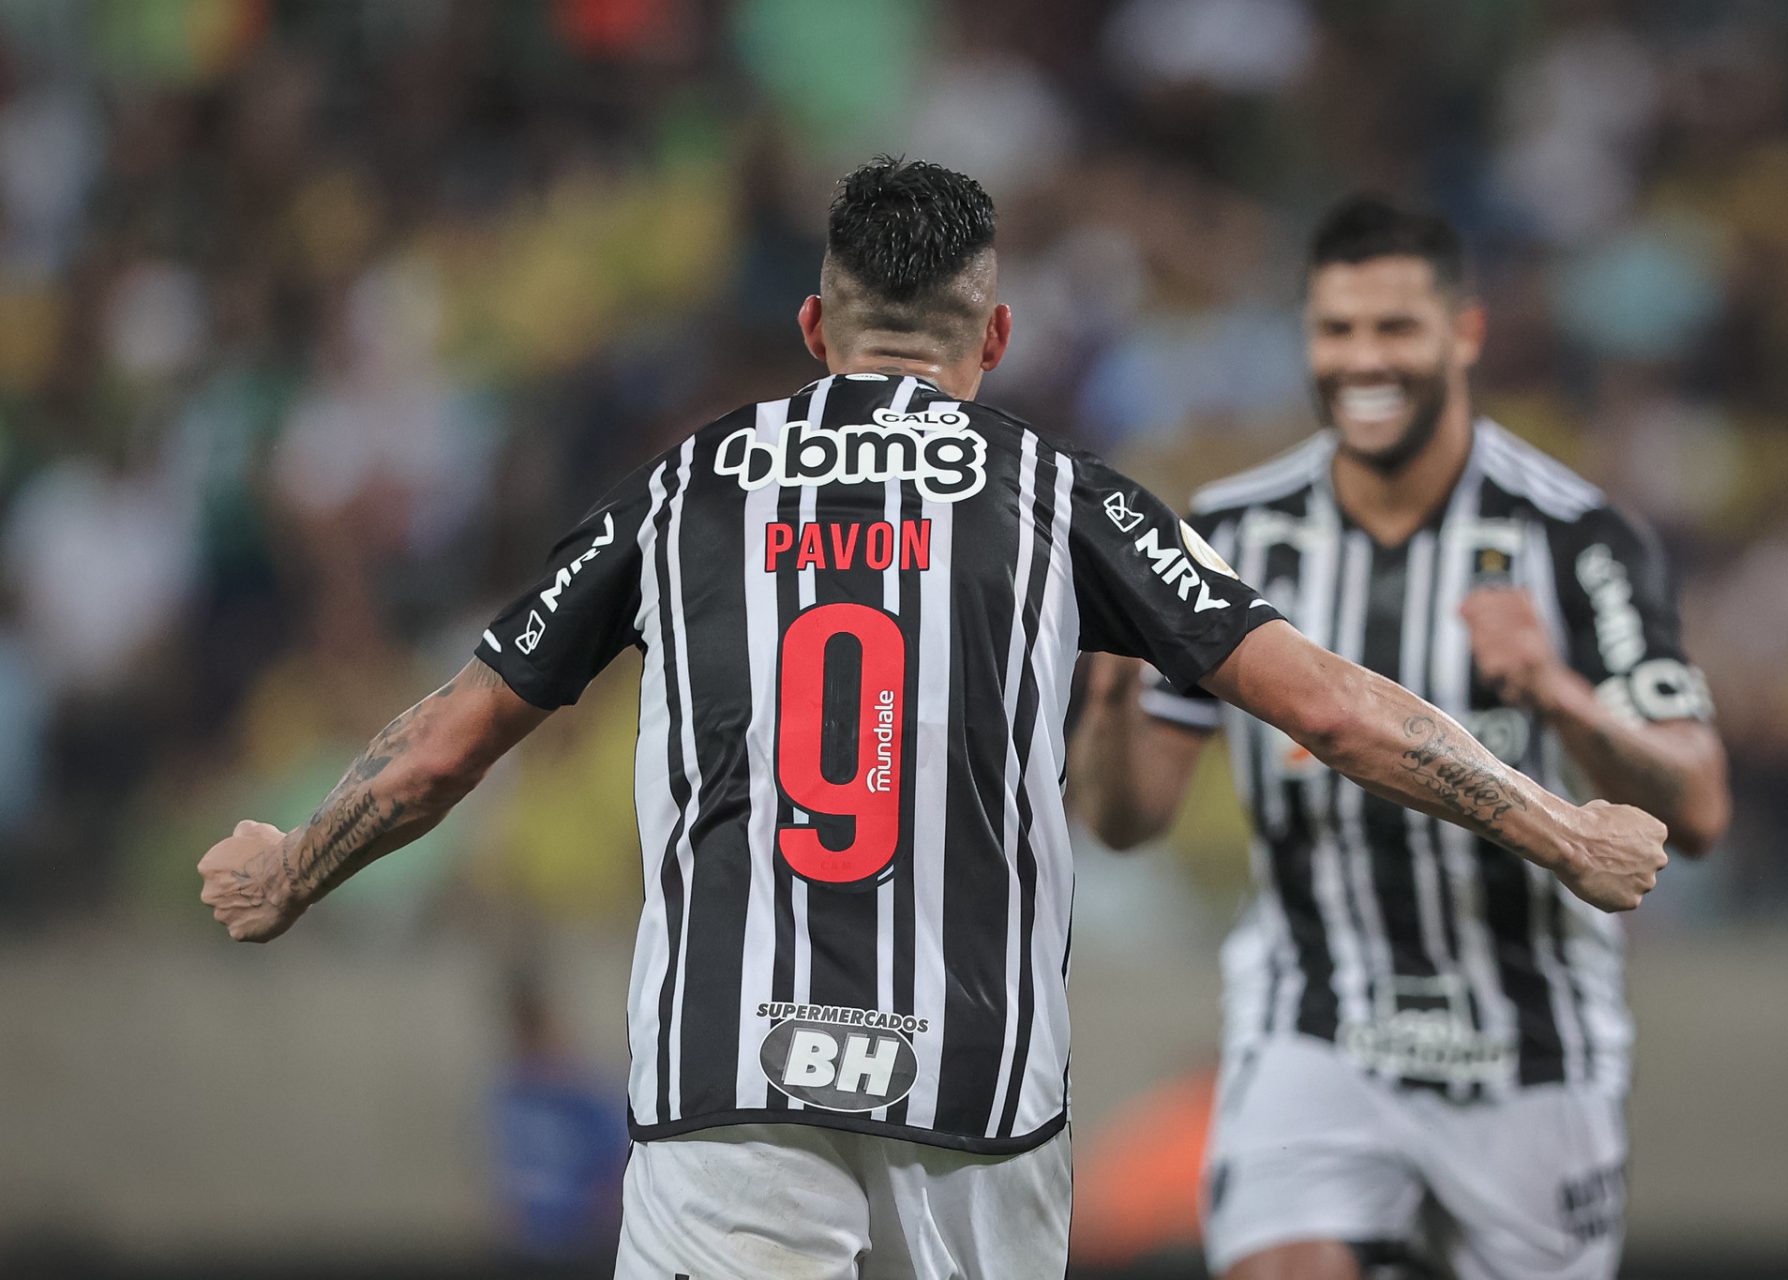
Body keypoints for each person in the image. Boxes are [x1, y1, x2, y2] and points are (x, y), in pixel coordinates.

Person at [198, 162, 1671, 1280]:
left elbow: (450, 743)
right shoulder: (1063, 496)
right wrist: (1556, 823)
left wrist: (294, 867)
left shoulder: (685, 489)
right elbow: (1336, 711)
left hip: (732, 1080)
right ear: (997, 337)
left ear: (813, 326)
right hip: (978, 1092)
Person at [1069, 196, 1731, 1280]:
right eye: (1336, 331)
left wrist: (1560, 693)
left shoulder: (1576, 538)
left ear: (1463, 334)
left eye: (1395, 329)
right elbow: (1128, 819)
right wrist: (1105, 695)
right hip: (1315, 1027)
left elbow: (1697, 806)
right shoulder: (1232, 533)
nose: (1362, 359)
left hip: (1530, 1049)